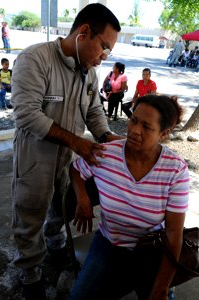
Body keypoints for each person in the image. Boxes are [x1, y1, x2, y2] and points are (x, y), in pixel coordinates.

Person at [10, 4, 121, 300]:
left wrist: (108, 138)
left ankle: (56, 245)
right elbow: (26, 115)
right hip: (35, 158)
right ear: (84, 32)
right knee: (30, 213)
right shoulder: (35, 59)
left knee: (62, 207)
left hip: (69, 159)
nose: (104, 57)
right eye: (104, 47)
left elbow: (95, 112)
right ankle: (30, 271)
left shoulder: (90, 72)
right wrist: (78, 143)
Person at [68, 94, 189, 300]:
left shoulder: (175, 170)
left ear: (164, 133)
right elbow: (76, 169)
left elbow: (173, 234)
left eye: (146, 126)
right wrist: (83, 198)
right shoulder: (106, 154)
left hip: (151, 248)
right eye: (133, 120)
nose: (134, 130)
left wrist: (161, 287)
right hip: (109, 243)